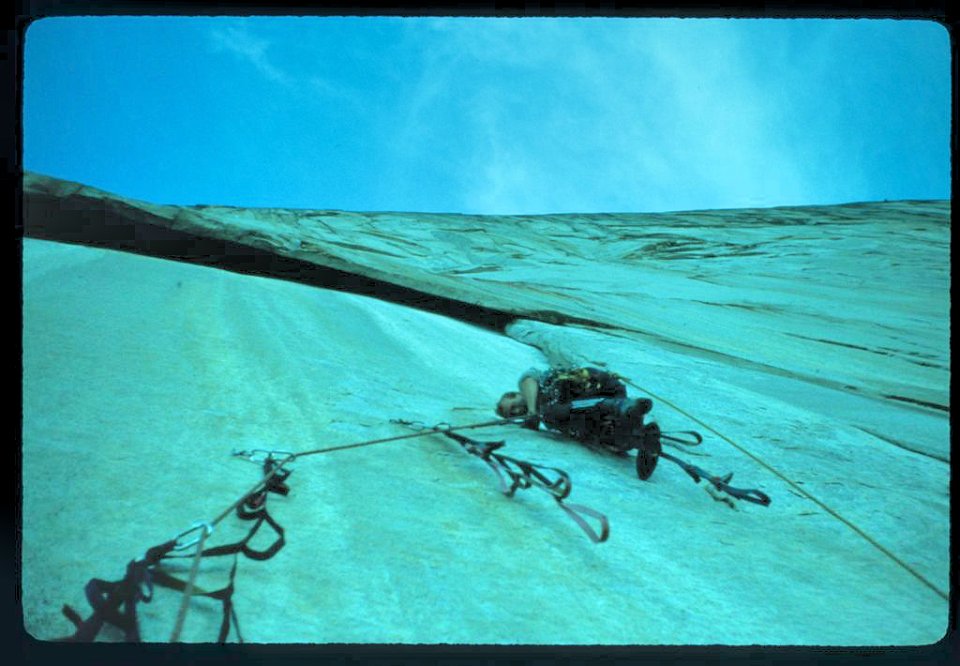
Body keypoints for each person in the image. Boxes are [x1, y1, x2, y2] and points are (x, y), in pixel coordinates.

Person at [496, 366, 662, 480]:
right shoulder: (543, 414)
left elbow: (528, 378)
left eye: (513, 407)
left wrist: (532, 412)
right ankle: (640, 438)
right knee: (610, 439)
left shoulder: (530, 386)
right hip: (592, 413)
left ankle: (624, 407)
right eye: (512, 414)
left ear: (513, 395)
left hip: (596, 389)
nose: (517, 412)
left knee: (553, 412)